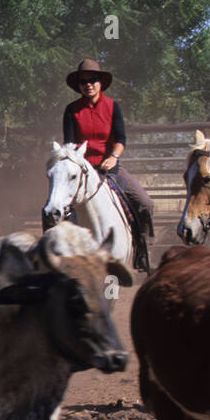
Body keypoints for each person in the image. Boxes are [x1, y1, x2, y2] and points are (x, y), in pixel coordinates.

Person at [61, 59, 155, 271]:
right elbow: (68, 144)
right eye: (83, 81)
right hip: (82, 170)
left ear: (100, 82)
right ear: (79, 85)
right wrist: (79, 164)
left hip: (110, 168)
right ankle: (61, 260)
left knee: (145, 203)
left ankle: (143, 251)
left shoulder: (113, 107)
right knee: (57, 208)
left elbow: (121, 140)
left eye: (93, 80)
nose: (88, 85)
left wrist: (114, 157)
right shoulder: (71, 110)